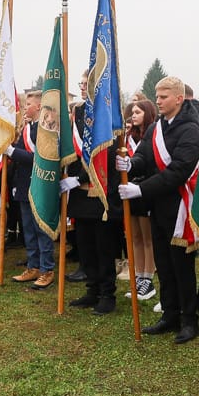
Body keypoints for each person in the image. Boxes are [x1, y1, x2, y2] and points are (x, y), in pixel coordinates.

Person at [117, 76, 199, 344]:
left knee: (181, 266)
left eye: (164, 96)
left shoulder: (190, 130)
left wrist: (141, 189)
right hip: (158, 205)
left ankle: (190, 320)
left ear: (179, 98)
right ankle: (169, 314)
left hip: (179, 207)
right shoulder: (155, 127)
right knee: (164, 264)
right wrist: (132, 165)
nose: (158, 100)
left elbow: (179, 170)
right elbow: (145, 155)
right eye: (157, 95)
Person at [62, 73, 123, 315]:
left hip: (102, 189)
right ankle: (92, 289)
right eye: (82, 84)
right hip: (77, 190)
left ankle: (107, 294)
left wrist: (82, 177)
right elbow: (71, 149)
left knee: (104, 246)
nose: (84, 88)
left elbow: (106, 153)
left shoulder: (109, 113)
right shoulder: (77, 113)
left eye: (89, 84)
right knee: (85, 244)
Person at [8, 91, 56, 289]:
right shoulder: (27, 128)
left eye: (28, 103)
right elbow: (20, 162)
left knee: (41, 230)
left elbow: (40, 159)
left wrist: (12, 152)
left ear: (38, 107)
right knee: (27, 229)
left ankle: (47, 269)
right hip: (23, 184)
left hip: (39, 185)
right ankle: (33, 266)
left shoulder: (46, 129)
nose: (24, 107)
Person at [123, 99, 158, 301]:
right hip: (129, 189)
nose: (134, 115)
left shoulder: (152, 135)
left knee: (147, 237)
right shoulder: (129, 137)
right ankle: (137, 275)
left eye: (138, 112)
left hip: (144, 189)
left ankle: (148, 277)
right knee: (134, 236)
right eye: (132, 112)